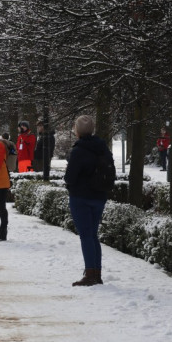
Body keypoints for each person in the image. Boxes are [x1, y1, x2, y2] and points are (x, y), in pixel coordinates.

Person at [64, 114, 113, 286]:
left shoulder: (78, 151)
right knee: (93, 235)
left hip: (80, 197)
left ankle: (90, 274)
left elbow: (69, 177)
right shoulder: (103, 148)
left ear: (77, 130)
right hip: (99, 196)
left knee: (85, 236)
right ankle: (96, 272)